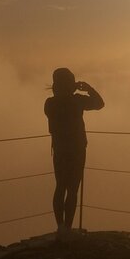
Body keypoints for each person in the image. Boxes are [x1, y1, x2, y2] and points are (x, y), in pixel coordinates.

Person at [44, 68, 104, 237]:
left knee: (60, 186)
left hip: (60, 149)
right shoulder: (76, 101)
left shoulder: (50, 103)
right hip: (77, 149)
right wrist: (88, 88)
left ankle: (61, 227)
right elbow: (99, 104)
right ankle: (68, 229)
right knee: (72, 189)